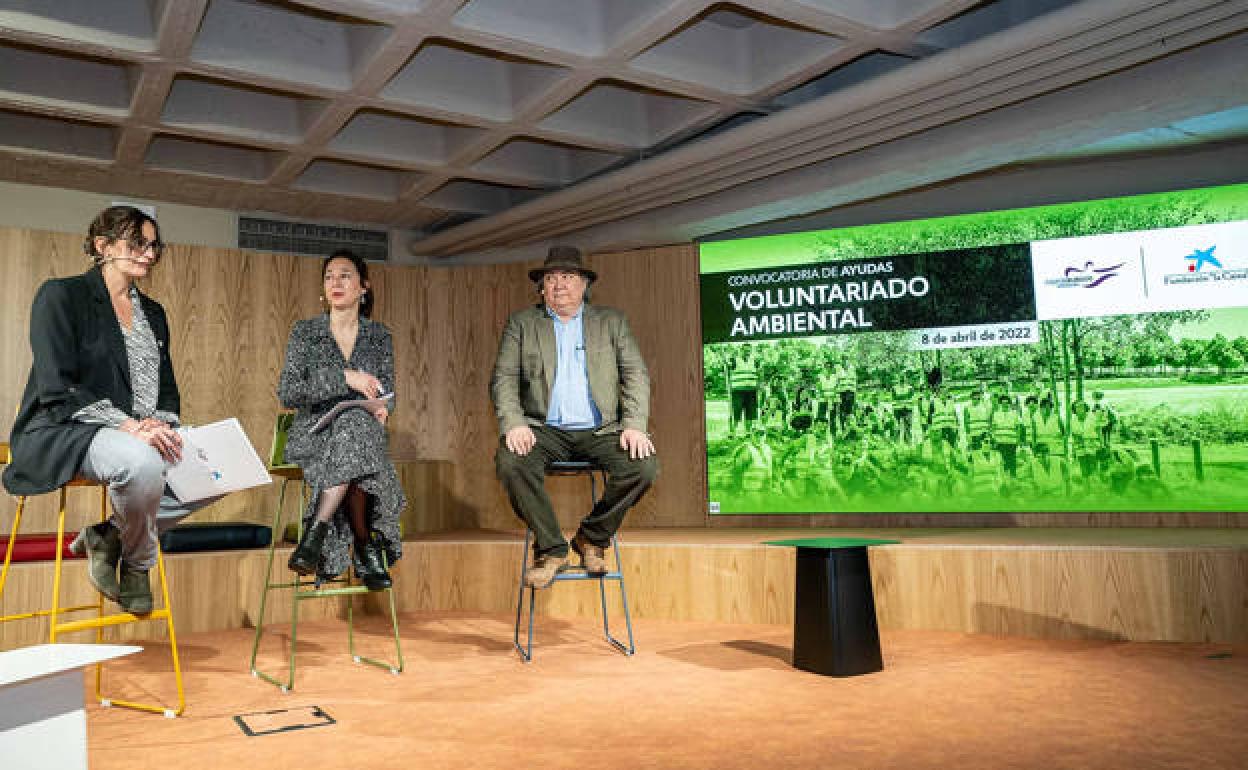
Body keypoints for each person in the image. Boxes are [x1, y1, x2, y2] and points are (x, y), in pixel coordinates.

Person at [3, 206, 217, 613]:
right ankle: (138, 565)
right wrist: (130, 427)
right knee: (142, 465)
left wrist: (161, 422)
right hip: (68, 426)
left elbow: (167, 388)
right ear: (102, 246)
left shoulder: (153, 313)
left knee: (221, 468)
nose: (149, 254)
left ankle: (110, 535)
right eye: (138, 243)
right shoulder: (61, 295)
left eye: (154, 246)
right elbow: (58, 385)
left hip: (136, 430)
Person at [491, 246, 658, 589]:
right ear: (541, 288)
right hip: (544, 429)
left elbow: (635, 374)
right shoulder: (522, 323)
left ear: (584, 284)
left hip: (602, 430)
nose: (559, 285)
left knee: (643, 466)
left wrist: (635, 426)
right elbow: (503, 377)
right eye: (550, 279)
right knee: (510, 462)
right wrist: (515, 423)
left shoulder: (611, 321)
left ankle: (591, 538)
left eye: (567, 277)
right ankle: (551, 549)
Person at [278, 250, 405, 590]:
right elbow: (288, 393)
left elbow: (387, 392)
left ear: (364, 287)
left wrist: (381, 408)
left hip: (361, 435)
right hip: (315, 435)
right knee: (358, 440)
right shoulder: (305, 332)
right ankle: (366, 545)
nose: (335, 282)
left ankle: (315, 534)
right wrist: (345, 378)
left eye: (344, 275)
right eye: (329, 276)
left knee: (356, 425)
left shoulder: (380, 335)